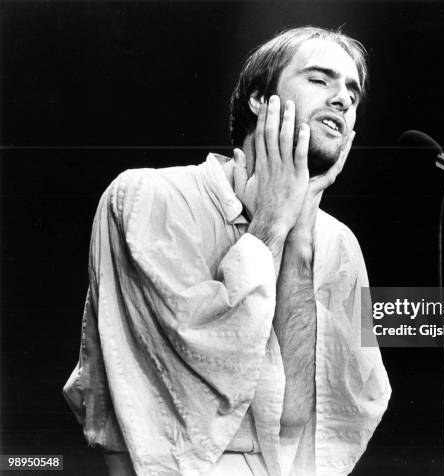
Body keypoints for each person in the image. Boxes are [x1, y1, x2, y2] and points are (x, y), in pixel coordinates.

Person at [63, 26, 391, 476]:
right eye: (320, 80)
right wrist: (273, 223)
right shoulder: (146, 197)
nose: (342, 99)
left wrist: (300, 234)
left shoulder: (339, 246)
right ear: (259, 99)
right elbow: (194, 389)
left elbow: (294, 418)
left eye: (352, 91)